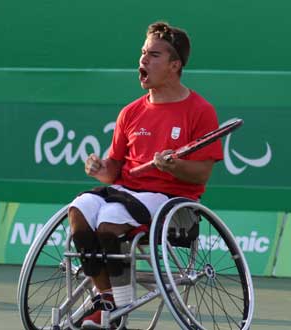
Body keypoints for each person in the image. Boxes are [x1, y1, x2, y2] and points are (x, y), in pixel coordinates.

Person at [69, 22, 223, 329]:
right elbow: (114, 169)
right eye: (143, 53)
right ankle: (107, 300)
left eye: (153, 55)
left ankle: (117, 307)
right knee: (79, 211)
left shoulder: (200, 110)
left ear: (174, 65)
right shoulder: (130, 112)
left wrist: (173, 166)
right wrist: (101, 169)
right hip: (127, 192)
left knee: (109, 221)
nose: (143, 60)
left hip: (172, 201)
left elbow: (202, 173)